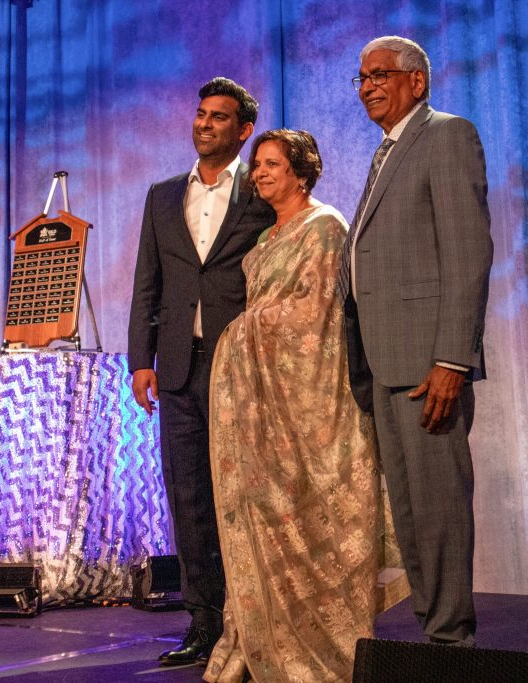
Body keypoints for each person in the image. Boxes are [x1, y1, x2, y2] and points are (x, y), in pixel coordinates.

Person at [204, 129, 385, 682]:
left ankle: (324, 653)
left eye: (272, 164)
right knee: (257, 514)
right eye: (256, 164)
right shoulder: (262, 241)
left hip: (309, 403)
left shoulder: (324, 228)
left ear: (301, 172)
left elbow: (317, 316)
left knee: (312, 519)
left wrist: (240, 331)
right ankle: (256, 637)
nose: (259, 173)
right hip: (260, 406)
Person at [340, 36, 493, 647]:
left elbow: (468, 254)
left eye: (381, 74)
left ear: (417, 82)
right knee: (409, 516)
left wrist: (452, 358)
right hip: (384, 364)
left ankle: (453, 642)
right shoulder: (386, 152)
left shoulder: (447, 135)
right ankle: (435, 633)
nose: (369, 86)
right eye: (361, 77)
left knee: (439, 511)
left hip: (429, 365)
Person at [128, 77, 276, 666]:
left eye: (219, 117)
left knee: (237, 498)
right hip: (180, 371)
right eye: (200, 114)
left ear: (242, 131)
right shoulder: (163, 196)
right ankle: (204, 622)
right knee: (187, 496)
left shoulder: (261, 193)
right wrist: (142, 360)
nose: (205, 123)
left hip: (239, 368)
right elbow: (148, 286)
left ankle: (252, 619)